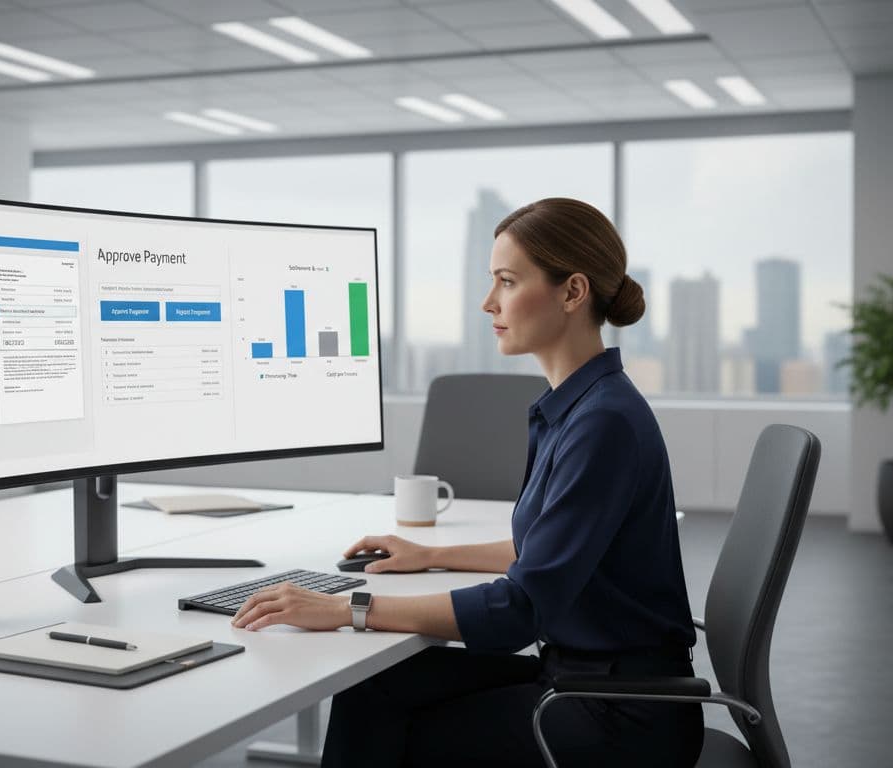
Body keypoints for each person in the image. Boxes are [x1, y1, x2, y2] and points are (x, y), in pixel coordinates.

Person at [230, 197, 704, 767]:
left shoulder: (602, 423)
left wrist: (349, 608)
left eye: (506, 281)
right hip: (583, 678)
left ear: (572, 293)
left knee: (401, 733)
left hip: (619, 713)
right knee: (374, 685)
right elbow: (547, 553)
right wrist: (430, 554)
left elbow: (518, 609)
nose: (488, 303)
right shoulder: (579, 407)